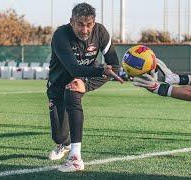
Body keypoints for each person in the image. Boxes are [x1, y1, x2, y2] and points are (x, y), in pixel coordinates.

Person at [47, 2, 123, 172]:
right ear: (71, 22)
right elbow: (73, 68)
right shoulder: (61, 35)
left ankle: (75, 158)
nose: (85, 30)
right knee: (59, 135)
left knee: (73, 92)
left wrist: (86, 85)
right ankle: (64, 144)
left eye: (89, 24)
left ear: (94, 23)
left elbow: (114, 66)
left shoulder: (101, 32)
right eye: (80, 24)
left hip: (79, 80)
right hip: (57, 84)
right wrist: (101, 69)